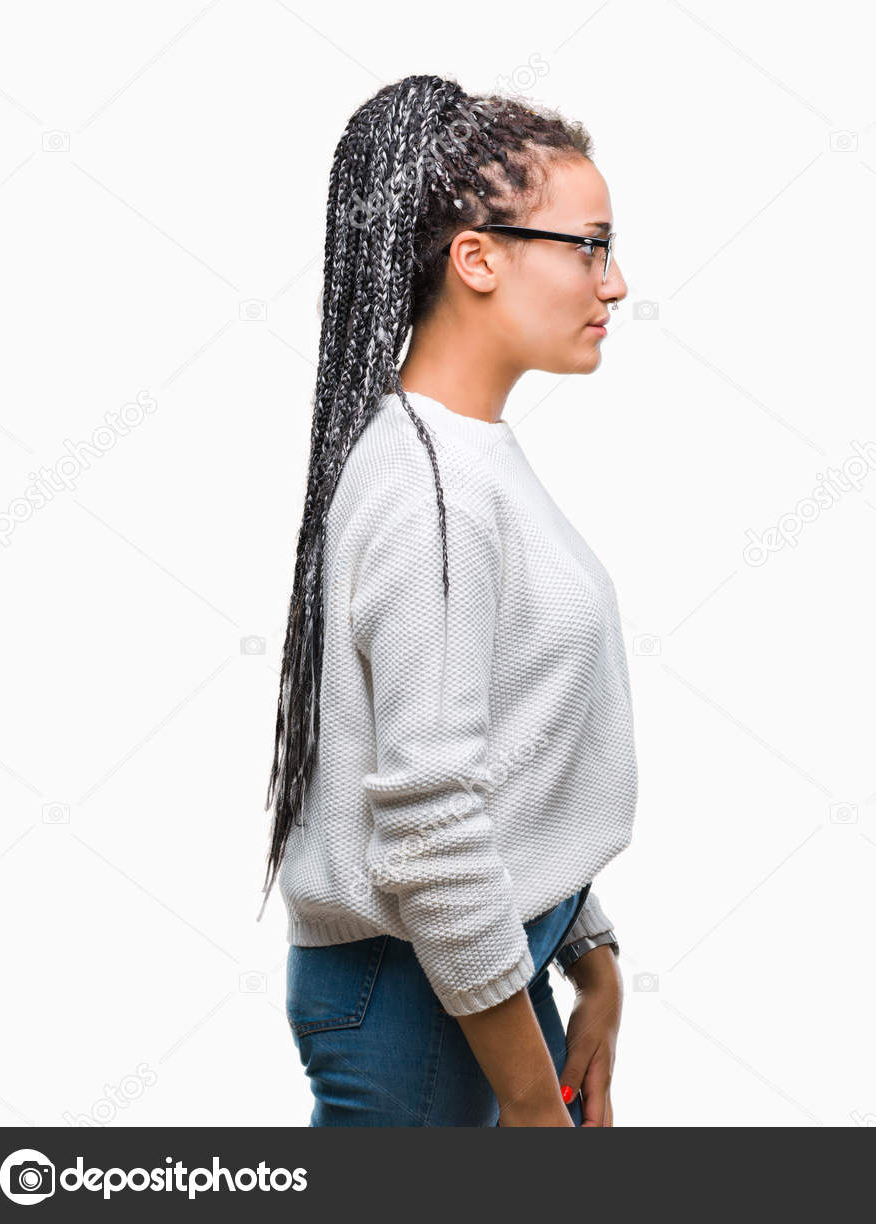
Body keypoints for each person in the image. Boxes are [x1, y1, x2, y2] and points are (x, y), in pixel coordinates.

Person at [259, 74, 636, 1126]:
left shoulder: (463, 462)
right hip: (420, 1004)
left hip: (474, 978)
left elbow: (504, 760)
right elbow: (429, 828)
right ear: (478, 259)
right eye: (590, 247)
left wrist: (589, 952)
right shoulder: (431, 493)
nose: (613, 284)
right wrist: (534, 1106)